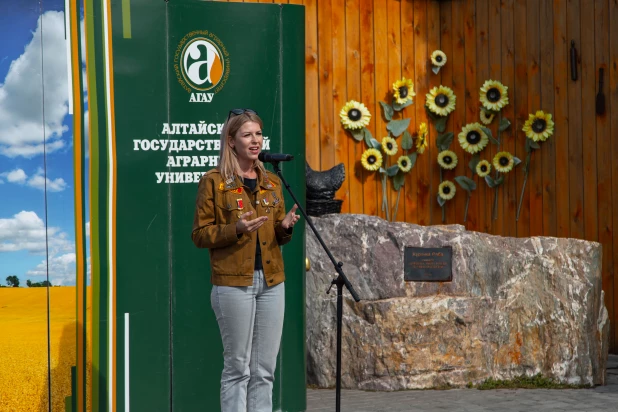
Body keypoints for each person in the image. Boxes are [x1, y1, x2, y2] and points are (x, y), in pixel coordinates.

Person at [191, 109, 300, 412]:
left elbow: (274, 234)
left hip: (272, 282)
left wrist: (284, 228)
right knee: (238, 368)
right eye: (247, 135)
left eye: (259, 134)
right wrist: (235, 229)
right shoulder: (214, 182)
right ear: (231, 141)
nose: (255, 141)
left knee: (264, 369)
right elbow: (200, 234)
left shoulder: (272, 183)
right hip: (233, 284)